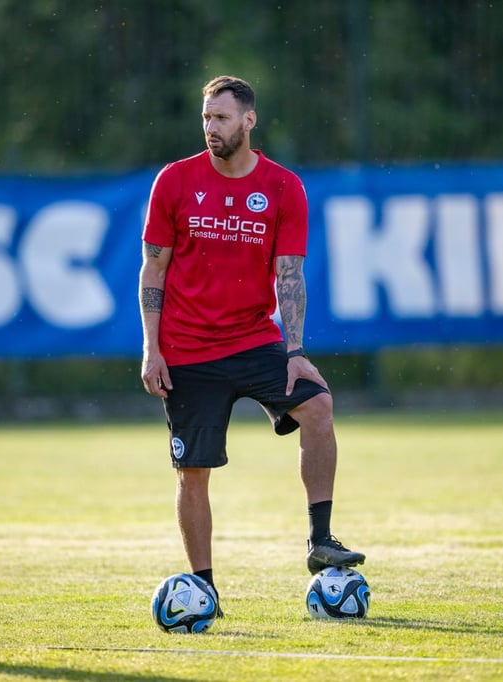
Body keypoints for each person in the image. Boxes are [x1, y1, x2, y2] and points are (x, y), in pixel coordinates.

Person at [138, 75, 364, 614]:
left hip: (253, 338)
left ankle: (321, 540)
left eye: (221, 117)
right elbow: (153, 269)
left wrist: (295, 352)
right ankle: (204, 589)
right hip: (188, 349)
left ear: (248, 120)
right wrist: (152, 348)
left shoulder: (283, 186)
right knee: (193, 472)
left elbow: (290, 274)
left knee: (318, 406)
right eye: (205, 118)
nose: (210, 127)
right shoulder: (175, 180)